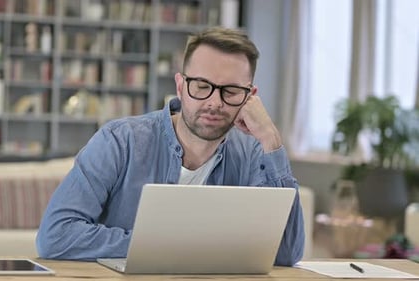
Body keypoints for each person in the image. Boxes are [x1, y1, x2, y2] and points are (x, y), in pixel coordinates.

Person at [36, 27, 305, 266]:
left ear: (250, 97)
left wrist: (271, 139)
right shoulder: (119, 141)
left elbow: (286, 253)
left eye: (231, 91)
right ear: (180, 85)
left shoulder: (254, 153)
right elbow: (56, 235)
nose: (214, 102)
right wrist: (171, 248)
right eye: (202, 86)